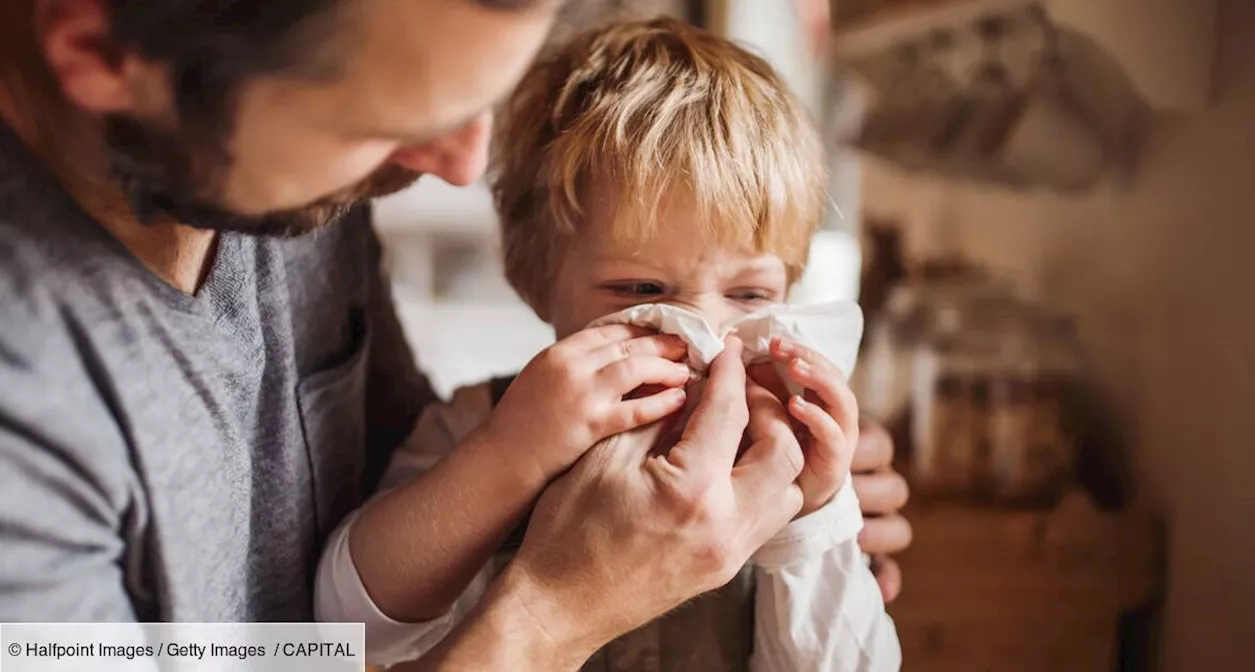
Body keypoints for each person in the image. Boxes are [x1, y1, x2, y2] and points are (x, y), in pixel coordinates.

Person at [0, 0, 909, 668]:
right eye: (385, 119)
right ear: (100, 54)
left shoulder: (282, 176)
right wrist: (560, 604)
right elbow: (345, 625)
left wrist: (813, 525)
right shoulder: (28, 418)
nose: (463, 166)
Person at [317, 18, 900, 671]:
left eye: (751, 297)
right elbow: (345, 632)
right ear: (538, 281)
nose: (704, 336)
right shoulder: (484, 425)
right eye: (641, 288)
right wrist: (511, 453)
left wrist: (814, 520)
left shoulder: (778, 456)